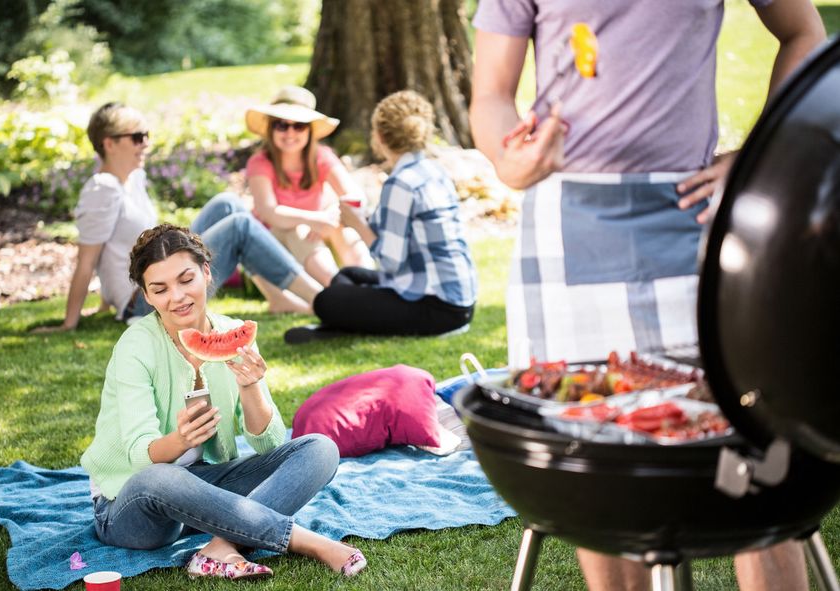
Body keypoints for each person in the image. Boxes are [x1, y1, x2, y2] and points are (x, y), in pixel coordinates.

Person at [469, 1, 826, 590]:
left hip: (689, 210)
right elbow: (490, 95)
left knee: (753, 446)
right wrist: (508, 161)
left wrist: (763, 149)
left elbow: (802, 30)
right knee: (592, 451)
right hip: (566, 219)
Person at [80, 223, 367, 581]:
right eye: (160, 289)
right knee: (160, 477)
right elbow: (140, 454)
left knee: (320, 449)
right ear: (147, 296)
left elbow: (270, 443)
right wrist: (181, 441)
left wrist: (251, 387)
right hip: (130, 506)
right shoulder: (135, 347)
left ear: (205, 272)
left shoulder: (234, 331)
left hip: (200, 490)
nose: (178, 297)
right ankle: (305, 541)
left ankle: (218, 546)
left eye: (186, 280)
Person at [33, 101, 322, 334]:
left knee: (227, 204)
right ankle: (322, 301)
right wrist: (70, 323)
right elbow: (88, 260)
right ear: (109, 143)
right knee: (240, 227)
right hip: (146, 301)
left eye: (146, 135)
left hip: (159, 274)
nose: (145, 143)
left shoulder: (132, 178)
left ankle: (278, 298)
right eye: (137, 137)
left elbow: (119, 249)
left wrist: (105, 304)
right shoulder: (102, 190)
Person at [283, 90, 477, 345]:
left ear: (380, 136)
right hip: (458, 300)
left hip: (437, 308)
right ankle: (351, 322)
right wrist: (361, 217)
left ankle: (342, 326)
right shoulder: (431, 170)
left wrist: (357, 224)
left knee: (326, 301)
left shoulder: (400, 183)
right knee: (350, 275)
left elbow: (391, 261)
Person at [245, 86, 372, 287]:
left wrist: (332, 214)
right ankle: (339, 288)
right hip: (271, 247)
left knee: (343, 225)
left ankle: (370, 281)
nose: (290, 132)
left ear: (309, 130)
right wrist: (314, 219)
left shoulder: (320, 156)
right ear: (271, 128)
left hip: (312, 239)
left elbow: (355, 196)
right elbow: (269, 212)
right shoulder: (261, 162)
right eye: (281, 125)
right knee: (298, 230)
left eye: (299, 125)